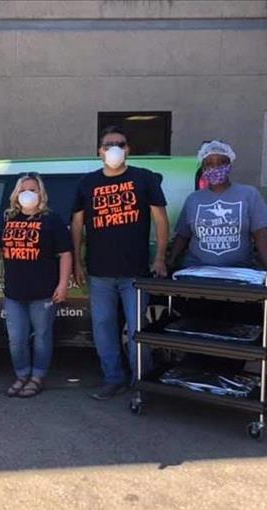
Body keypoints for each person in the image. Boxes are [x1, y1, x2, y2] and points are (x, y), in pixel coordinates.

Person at [72, 125, 169, 400]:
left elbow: (160, 219)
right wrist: (78, 262)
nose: (114, 148)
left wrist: (160, 258)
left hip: (136, 272)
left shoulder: (143, 178)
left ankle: (143, 380)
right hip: (100, 272)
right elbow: (77, 224)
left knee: (139, 329)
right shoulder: (87, 183)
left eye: (120, 143)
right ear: (98, 152)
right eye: (108, 144)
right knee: (103, 328)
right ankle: (113, 379)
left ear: (128, 149)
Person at [168, 140, 267, 336]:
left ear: (230, 165)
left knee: (236, 333)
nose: (215, 167)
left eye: (221, 162)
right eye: (209, 163)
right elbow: (183, 235)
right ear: (203, 167)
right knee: (201, 331)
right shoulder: (194, 199)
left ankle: (231, 366)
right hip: (200, 277)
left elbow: (261, 232)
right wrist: (170, 262)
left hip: (238, 276)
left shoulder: (248, 194)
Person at [0, 173, 73, 398]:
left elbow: (65, 253)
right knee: (16, 339)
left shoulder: (51, 220)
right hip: (14, 292)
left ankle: (37, 377)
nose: (28, 193)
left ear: (41, 193)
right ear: (16, 193)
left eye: (33, 189)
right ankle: (22, 374)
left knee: (42, 336)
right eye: (23, 189)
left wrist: (63, 284)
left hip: (43, 292)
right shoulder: (7, 218)